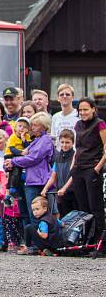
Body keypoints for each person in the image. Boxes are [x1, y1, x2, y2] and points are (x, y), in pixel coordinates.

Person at [7, 112, 54, 225]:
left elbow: (33, 158)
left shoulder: (45, 140)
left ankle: (37, 240)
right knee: (24, 212)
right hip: (26, 179)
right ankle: (28, 239)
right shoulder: (36, 140)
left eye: (35, 125)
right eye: (32, 124)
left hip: (36, 181)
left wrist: (13, 161)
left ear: (44, 126)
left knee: (35, 213)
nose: (32, 127)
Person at [71, 97, 106, 244]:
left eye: (86, 109)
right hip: (78, 168)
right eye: (80, 110)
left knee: (95, 207)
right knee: (83, 208)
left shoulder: (100, 124)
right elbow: (77, 148)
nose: (83, 112)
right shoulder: (78, 124)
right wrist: (73, 167)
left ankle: (100, 242)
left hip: (92, 168)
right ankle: (87, 241)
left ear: (93, 109)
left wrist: (97, 168)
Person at [42, 129, 77, 218]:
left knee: (73, 216)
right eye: (62, 142)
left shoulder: (75, 156)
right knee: (63, 216)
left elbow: (74, 175)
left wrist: (64, 188)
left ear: (73, 143)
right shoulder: (58, 157)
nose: (64, 145)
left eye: (67, 142)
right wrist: (45, 189)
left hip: (73, 193)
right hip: (61, 194)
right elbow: (53, 176)